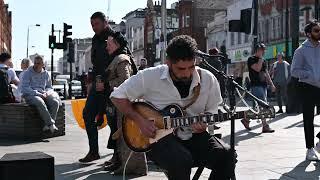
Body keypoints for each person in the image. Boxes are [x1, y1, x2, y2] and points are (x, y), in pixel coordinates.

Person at [110, 35, 235, 180]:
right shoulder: (150, 76)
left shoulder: (207, 79)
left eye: (191, 67)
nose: (187, 73)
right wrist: (140, 121)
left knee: (227, 155)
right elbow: (117, 96)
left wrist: (205, 121)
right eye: (181, 68)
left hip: (195, 136)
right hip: (159, 140)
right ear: (168, 62)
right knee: (181, 160)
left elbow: (213, 109)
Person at [79, 11, 115, 163]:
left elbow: (119, 61)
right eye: (92, 25)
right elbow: (96, 63)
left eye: (97, 24)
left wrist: (105, 80)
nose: (94, 27)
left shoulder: (115, 38)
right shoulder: (95, 39)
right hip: (97, 82)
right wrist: (92, 81)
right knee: (88, 114)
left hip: (112, 84)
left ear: (105, 22)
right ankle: (93, 151)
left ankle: (117, 156)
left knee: (114, 120)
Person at [291, 20, 320, 161]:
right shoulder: (301, 50)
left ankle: (319, 143)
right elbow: (294, 71)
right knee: (308, 118)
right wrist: (310, 74)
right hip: (307, 87)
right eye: (316, 30)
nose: (319, 32)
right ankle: (310, 149)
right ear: (309, 34)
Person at [241, 43, 276, 133]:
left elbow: (266, 73)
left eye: (264, 50)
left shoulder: (263, 60)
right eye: (262, 50)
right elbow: (257, 68)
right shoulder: (251, 59)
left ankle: (246, 119)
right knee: (262, 106)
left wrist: (271, 84)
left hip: (263, 85)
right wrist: (260, 58)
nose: (263, 52)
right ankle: (265, 126)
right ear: (257, 50)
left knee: (258, 107)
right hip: (256, 85)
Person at [21, 55, 60, 133]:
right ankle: (51, 124)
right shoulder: (27, 73)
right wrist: (38, 94)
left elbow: (49, 87)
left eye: (38, 63)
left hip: (43, 93)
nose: (36, 65)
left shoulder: (46, 74)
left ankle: (46, 126)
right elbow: (25, 88)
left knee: (55, 102)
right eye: (35, 63)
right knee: (39, 101)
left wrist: (47, 92)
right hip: (30, 95)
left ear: (43, 65)